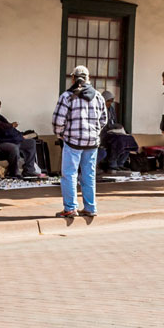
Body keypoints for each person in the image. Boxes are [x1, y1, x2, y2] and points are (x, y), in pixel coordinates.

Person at [51, 65, 108, 218]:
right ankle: (90, 207)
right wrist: (94, 132)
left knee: (69, 175)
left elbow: (58, 120)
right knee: (89, 175)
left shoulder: (67, 96)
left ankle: (70, 208)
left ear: (73, 78)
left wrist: (60, 134)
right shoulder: (98, 96)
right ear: (88, 79)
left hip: (73, 142)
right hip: (92, 143)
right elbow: (104, 120)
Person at [0, 98, 43, 178]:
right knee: (13, 147)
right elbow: (1, 126)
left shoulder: (0, 117)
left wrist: (19, 135)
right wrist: (11, 125)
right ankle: (14, 172)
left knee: (31, 143)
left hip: (10, 140)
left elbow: (10, 129)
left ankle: (29, 170)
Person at [100, 90, 138, 173]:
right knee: (118, 141)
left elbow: (114, 121)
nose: (110, 103)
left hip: (113, 132)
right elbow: (103, 124)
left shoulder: (112, 109)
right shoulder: (100, 109)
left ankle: (121, 163)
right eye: (108, 101)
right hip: (104, 134)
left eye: (111, 101)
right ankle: (112, 164)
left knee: (128, 139)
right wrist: (112, 127)